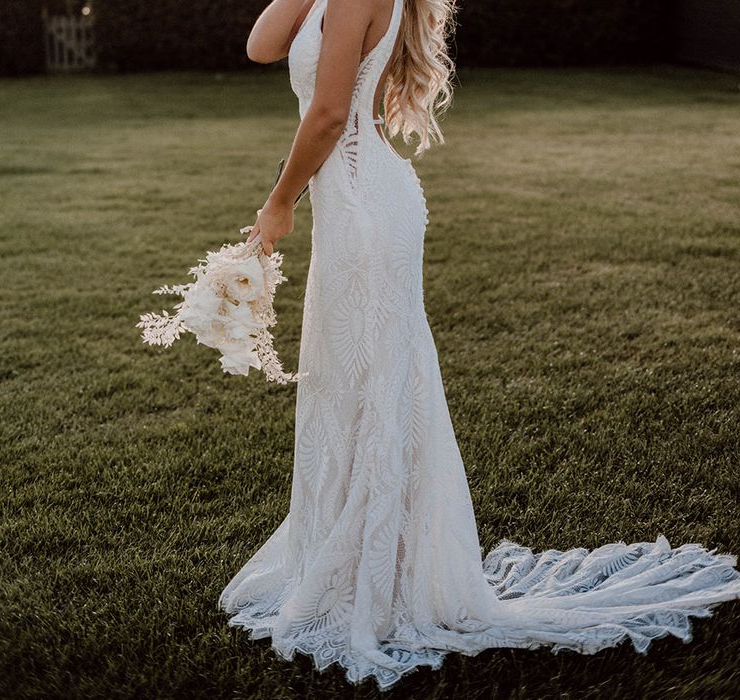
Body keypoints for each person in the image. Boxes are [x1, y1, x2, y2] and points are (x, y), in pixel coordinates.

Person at [219, 0, 740, 690]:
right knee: (349, 382)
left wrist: (278, 201)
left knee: (379, 382)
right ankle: (361, 560)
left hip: (366, 209)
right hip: (351, 208)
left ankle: (386, 579)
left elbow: (326, 113)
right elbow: (261, 45)